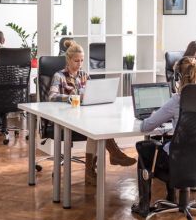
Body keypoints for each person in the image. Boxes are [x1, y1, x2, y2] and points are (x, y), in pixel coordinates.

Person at [48, 39, 136, 186]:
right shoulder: (59, 76)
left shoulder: (84, 74)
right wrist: (72, 97)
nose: (80, 64)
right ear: (68, 60)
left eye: (82, 60)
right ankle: (114, 154)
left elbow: (93, 92)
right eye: (76, 61)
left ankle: (91, 171)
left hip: (84, 117)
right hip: (66, 118)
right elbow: (51, 96)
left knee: (97, 125)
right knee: (96, 125)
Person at [131, 56, 196, 217]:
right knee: (171, 142)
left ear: (178, 78)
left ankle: (144, 206)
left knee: (145, 148)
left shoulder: (178, 100)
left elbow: (146, 127)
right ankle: (171, 197)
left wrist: (155, 115)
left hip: (179, 163)